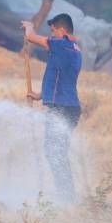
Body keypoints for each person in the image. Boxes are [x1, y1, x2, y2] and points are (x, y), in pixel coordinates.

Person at [22, 13, 82, 202]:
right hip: (69, 107)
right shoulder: (74, 48)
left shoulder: (60, 43)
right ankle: (67, 195)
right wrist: (41, 96)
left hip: (61, 109)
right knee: (57, 152)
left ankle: (67, 197)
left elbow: (31, 37)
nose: (52, 34)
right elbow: (62, 78)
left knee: (53, 152)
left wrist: (29, 26)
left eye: (53, 30)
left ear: (62, 31)